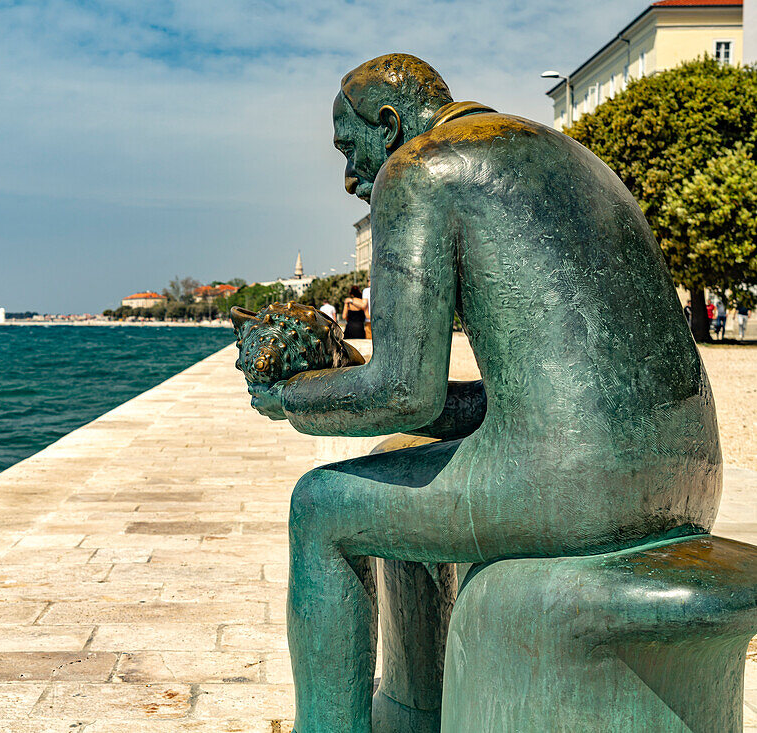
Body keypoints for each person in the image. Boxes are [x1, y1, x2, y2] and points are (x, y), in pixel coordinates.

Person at [247, 53, 720, 731]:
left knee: (319, 506)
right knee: (395, 458)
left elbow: (402, 390)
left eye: (352, 154)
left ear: (390, 124)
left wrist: (292, 398)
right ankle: (416, 711)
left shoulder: (419, 171)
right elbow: (529, 397)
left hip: (578, 487)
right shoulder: (564, 155)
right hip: (687, 476)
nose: (353, 179)